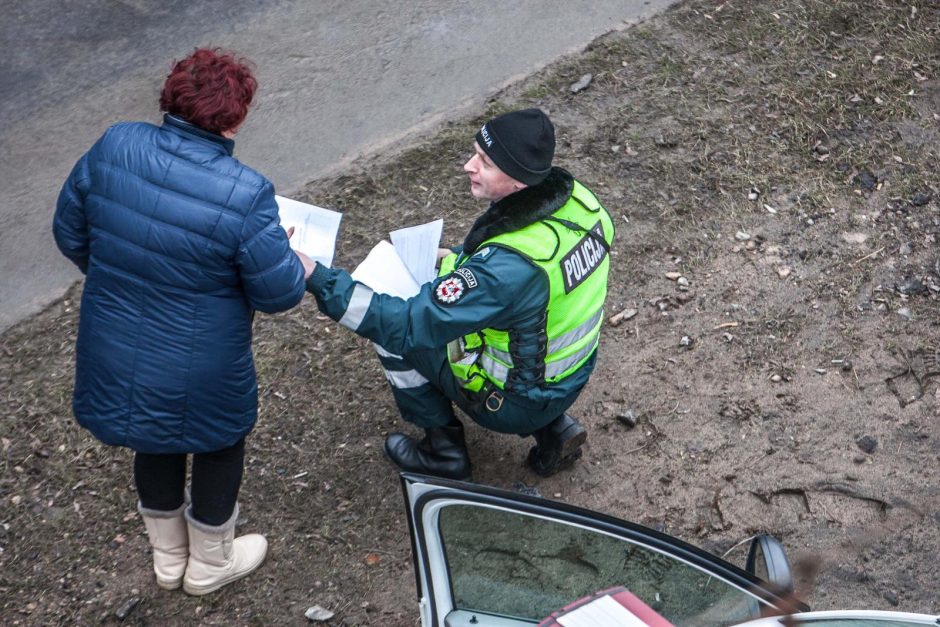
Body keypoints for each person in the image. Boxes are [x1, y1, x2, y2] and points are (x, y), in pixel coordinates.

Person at [53, 48, 313, 595]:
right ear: (236, 117)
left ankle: (169, 557)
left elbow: (71, 232)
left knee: (154, 435)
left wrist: (122, 277)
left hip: (115, 342)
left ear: (168, 97)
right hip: (204, 361)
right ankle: (211, 563)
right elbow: (278, 293)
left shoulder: (115, 144)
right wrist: (286, 256)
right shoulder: (245, 193)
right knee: (218, 441)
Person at [303, 108, 613, 479]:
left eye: (485, 162)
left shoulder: (507, 271)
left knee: (390, 334)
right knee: (525, 337)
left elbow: (406, 325)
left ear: (517, 181)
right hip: (573, 373)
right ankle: (553, 427)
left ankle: (443, 453)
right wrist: (456, 260)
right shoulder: (583, 204)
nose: (468, 166)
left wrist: (317, 277)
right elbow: (536, 291)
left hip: (513, 402)